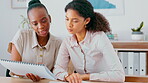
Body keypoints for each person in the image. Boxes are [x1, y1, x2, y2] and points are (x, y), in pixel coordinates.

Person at [53, 0, 125, 83]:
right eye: (67, 19)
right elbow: (57, 70)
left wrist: (85, 77)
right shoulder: (67, 42)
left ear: (86, 21)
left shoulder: (99, 38)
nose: (69, 24)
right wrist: (67, 76)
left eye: (75, 21)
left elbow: (119, 75)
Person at [8, 0, 61, 82]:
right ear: (30, 24)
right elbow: (15, 68)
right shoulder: (21, 36)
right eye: (35, 24)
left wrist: (43, 76)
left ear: (49, 18)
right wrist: (31, 74)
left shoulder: (58, 43)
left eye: (44, 21)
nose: (40, 26)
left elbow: (56, 72)